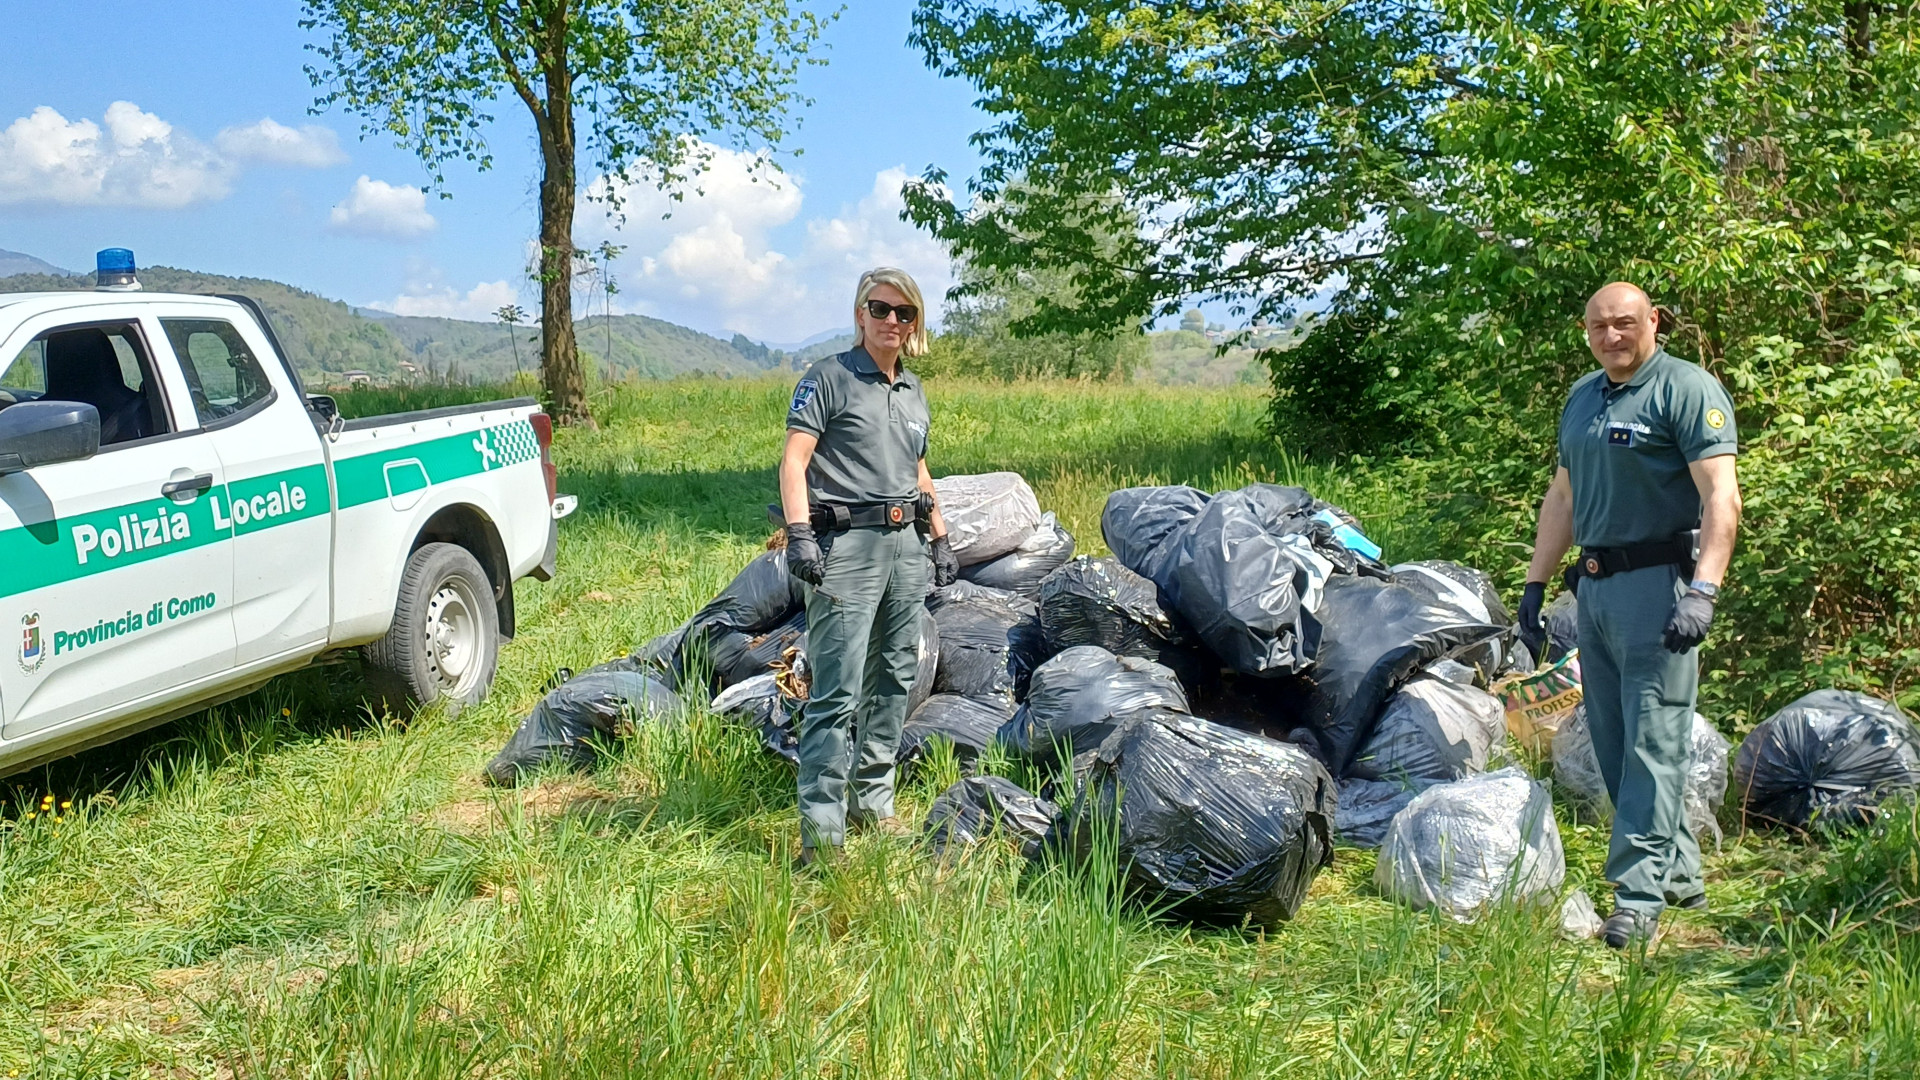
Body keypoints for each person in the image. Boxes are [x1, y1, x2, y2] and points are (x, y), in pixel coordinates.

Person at [1516, 282, 1742, 948]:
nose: (1611, 337)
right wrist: (1535, 584)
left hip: (1659, 587)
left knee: (1655, 741)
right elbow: (1564, 495)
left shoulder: (1684, 390)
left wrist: (1704, 591)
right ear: (1584, 331)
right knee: (1615, 744)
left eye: (1624, 323)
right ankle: (1677, 873)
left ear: (1654, 322)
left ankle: (1637, 898)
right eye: (1597, 327)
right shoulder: (1584, 397)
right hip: (1596, 588)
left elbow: (1721, 498)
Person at [778, 267, 959, 869]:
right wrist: (800, 535)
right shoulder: (827, 379)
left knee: (895, 676)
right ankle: (822, 837)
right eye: (880, 309)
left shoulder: (912, 392)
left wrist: (939, 538)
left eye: (903, 314)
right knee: (836, 687)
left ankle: (872, 802)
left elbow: (919, 470)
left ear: (915, 324)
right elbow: (794, 461)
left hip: (906, 543)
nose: (891, 322)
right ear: (860, 314)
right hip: (846, 550)